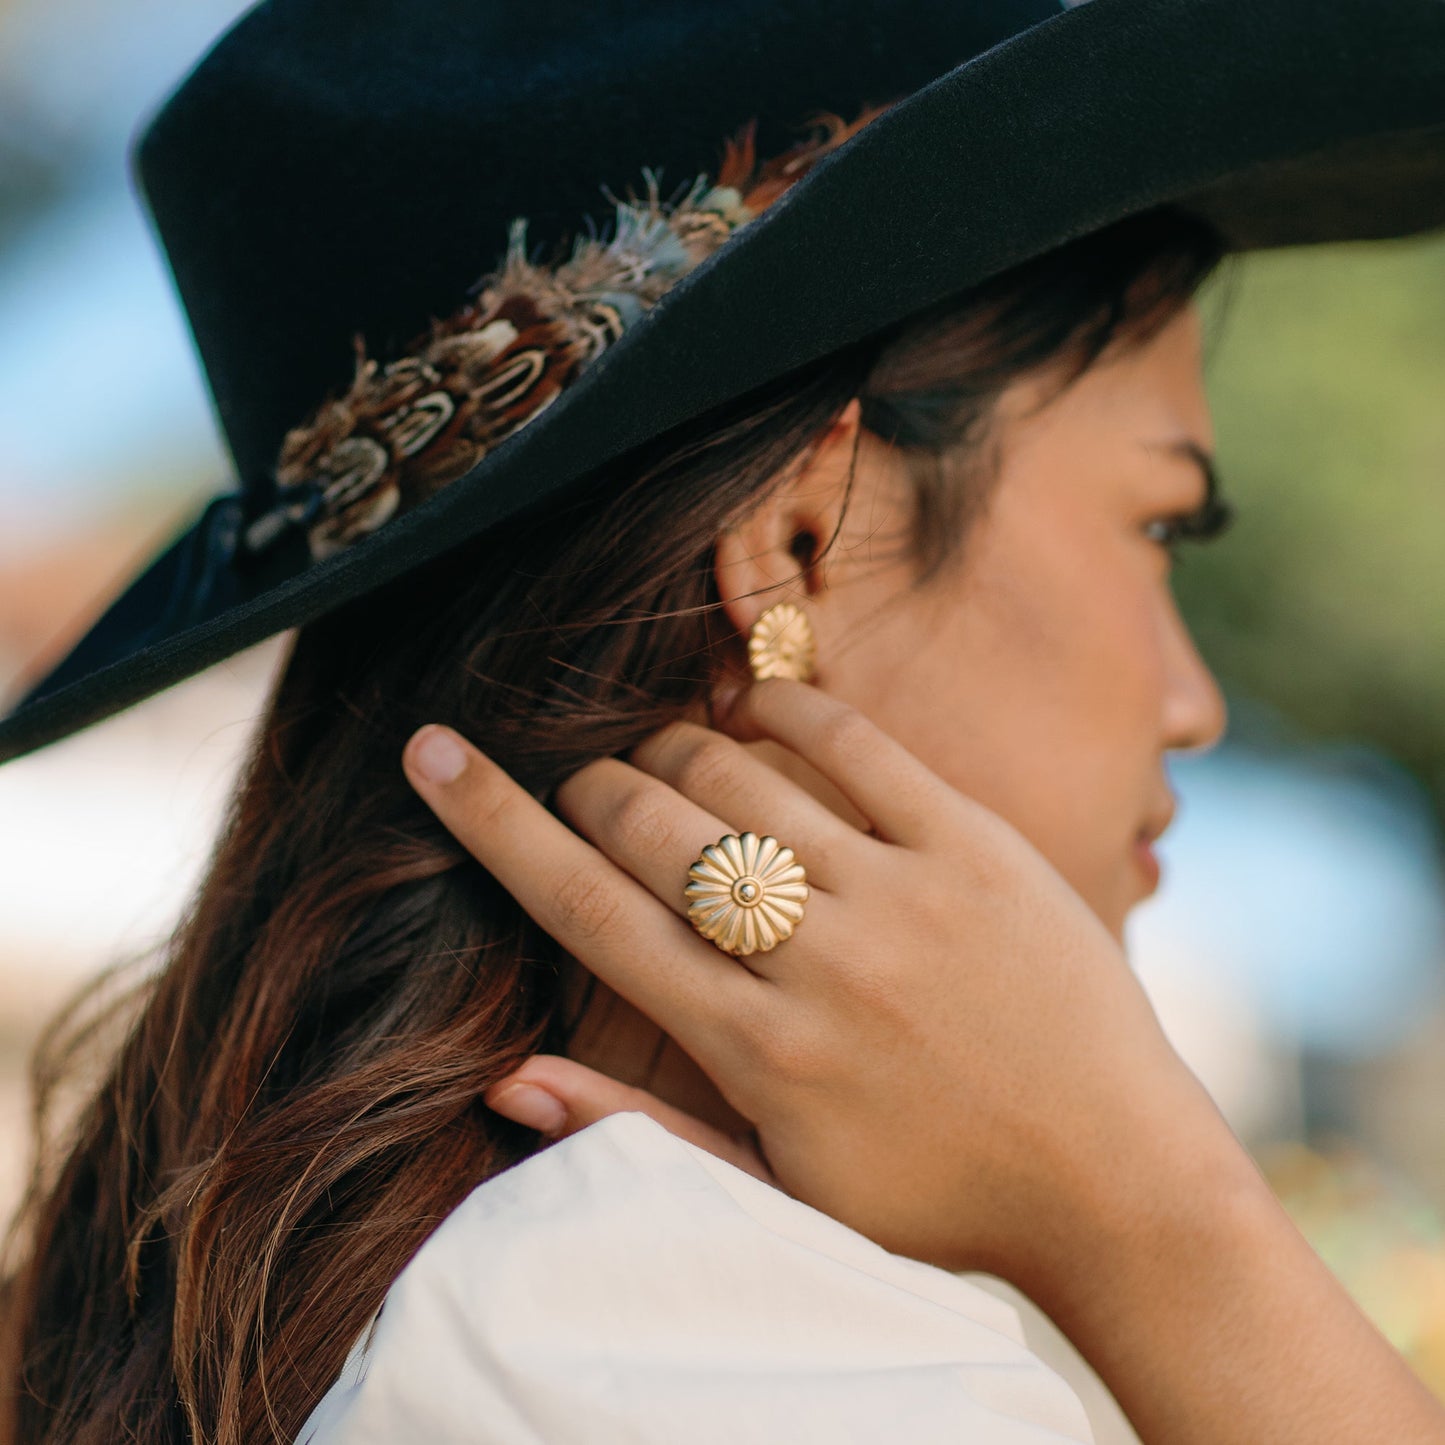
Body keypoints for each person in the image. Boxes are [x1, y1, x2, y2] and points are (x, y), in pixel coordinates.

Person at [1, 1, 1444, 1442]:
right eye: (1159, 524)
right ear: (800, 539)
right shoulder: (697, 1353)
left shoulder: (664, 1313)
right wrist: (1163, 1217)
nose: (1191, 701)